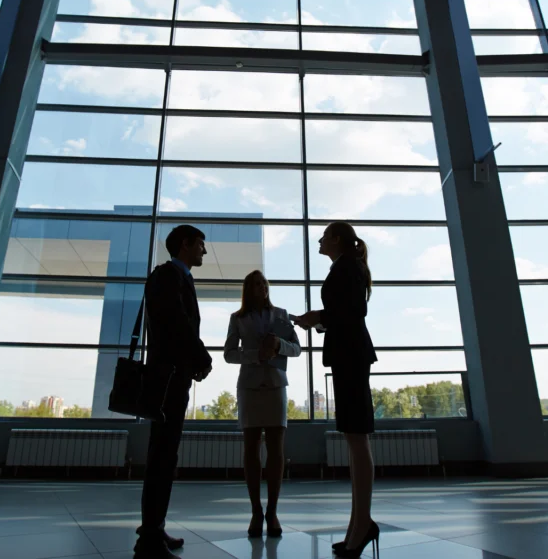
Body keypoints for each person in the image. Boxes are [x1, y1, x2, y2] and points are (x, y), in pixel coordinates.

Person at [292, 222, 378, 558]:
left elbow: (356, 311)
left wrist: (319, 316)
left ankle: (361, 526)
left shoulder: (348, 267)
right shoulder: (345, 267)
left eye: (324, 236)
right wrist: (319, 320)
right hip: (348, 355)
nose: (319, 239)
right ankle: (358, 525)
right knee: (355, 438)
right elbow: (346, 314)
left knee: (357, 438)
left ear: (337, 239)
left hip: (351, 356)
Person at [134, 225, 213, 559]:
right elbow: (177, 322)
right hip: (168, 379)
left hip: (171, 376)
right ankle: (149, 538)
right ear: (185, 244)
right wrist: (201, 355)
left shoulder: (174, 277)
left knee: (165, 454)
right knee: (162, 455)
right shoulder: (168, 276)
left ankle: (154, 527)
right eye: (200, 245)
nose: (204, 252)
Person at [223, 270, 301, 538]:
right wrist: (257, 354)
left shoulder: (281, 314)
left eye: (264, 284)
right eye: (256, 285)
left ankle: (273, 511)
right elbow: (229, 354)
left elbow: (297, 348)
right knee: (251, 450)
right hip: (250, 386)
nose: (262, 288)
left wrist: (279, 344)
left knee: (276, 451)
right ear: (248, 288)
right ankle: (256, 510)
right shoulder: (238, 318)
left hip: (276, 385)